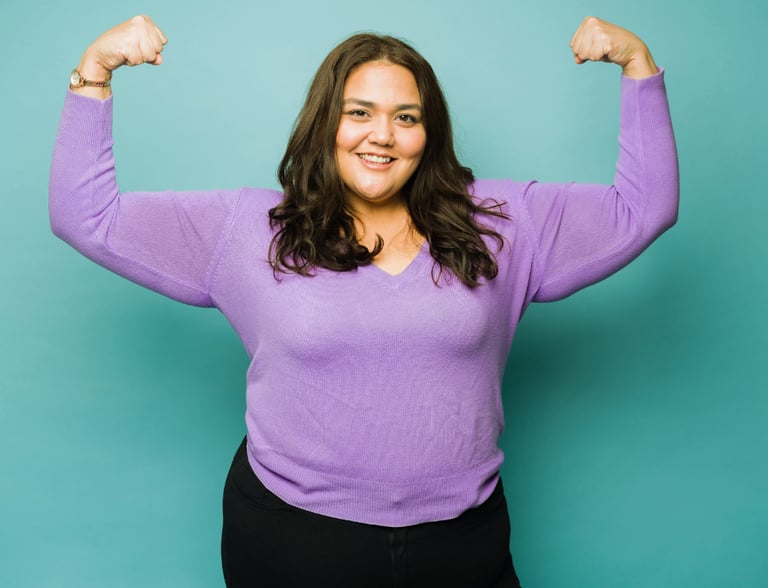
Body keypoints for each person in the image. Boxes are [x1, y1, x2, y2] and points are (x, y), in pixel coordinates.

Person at [50, 13, 678, 588]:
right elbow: (86, 217)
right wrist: (94, 74)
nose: (383, 135)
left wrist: (639, 65)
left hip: (462, 540)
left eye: (406, 117)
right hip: (291, 538)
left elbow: (643, 209)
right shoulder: (246, 228)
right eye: (359, 113)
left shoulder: (504, 220)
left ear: (428, 134)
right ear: (326, 123)